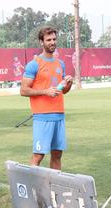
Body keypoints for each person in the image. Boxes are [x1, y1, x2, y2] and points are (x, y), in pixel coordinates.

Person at [20, 26, 73, 170]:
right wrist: (45, 92)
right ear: (41, 42)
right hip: (42, 117)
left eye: (54, 39)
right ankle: (32, 188)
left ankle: (53, 191)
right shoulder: (34, 64)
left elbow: (64, 91)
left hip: (59, 115)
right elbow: (23, 90)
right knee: (38, 156)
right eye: (48, 40)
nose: (52, 42)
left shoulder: (60, 63)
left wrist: (69, 83)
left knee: (57, 155)